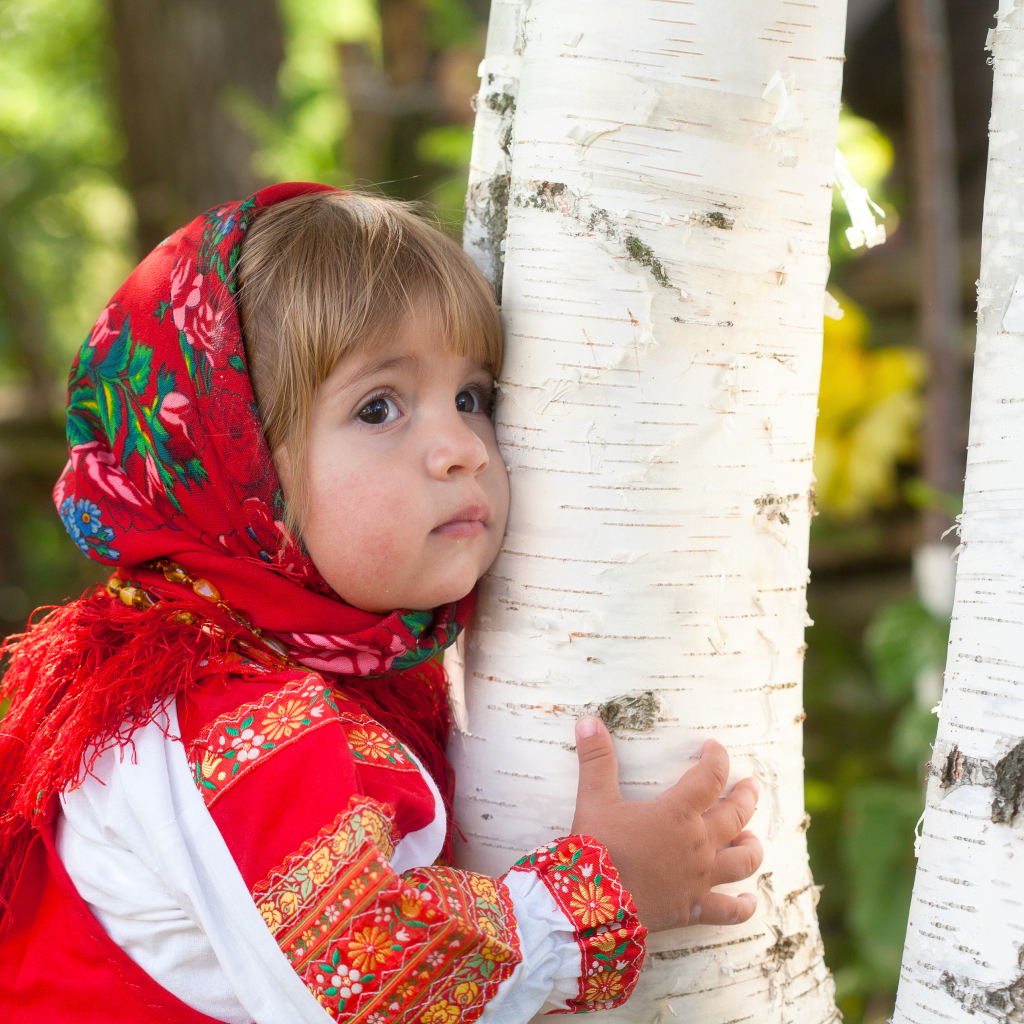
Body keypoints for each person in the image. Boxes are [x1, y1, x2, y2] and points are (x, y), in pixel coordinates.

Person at [0, 182, 763, 1023]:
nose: (462, 449)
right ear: (238, 468)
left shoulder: (318, 665)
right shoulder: (215, 716)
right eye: (378, 408)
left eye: (473, 397)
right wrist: (605, 891)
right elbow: (371, 980)